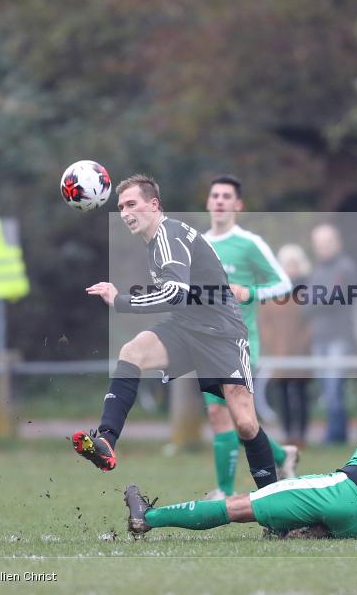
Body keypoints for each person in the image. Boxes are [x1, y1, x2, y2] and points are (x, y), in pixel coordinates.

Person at [74, 174, 277, 491]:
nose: (126, 213)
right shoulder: (155, 240)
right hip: (185, 327)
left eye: (132, 204)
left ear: (153, 205)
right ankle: (106, 440)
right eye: (121, 207)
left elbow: (175, 293)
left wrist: (121, 300)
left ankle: (274, 501)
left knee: (246, 424)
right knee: (133, 352)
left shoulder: (169, 235)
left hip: (222, 332)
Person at [124, 426, 357, 539]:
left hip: (345, 492)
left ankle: (149, 517)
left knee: (243, 505)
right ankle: (304, 528)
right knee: (310, 513)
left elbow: (355, 464)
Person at [201, 174, 298, 499]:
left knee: (230, 414)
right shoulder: (196, 245)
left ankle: (225, 492)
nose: (219, 201)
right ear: (208, 202)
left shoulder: (249, 243)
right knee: (227, 417)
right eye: (215, 195)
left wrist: (250, 292)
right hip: (207, 343)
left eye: (226, 196)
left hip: (241, 342)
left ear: (237, 205)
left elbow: (283, 284)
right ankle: (283, 456)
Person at [308, 224, 357, 444]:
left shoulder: (346, 267)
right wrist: (321, 299)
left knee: (334, 385)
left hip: (340, 336)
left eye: (327, 242)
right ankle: (335, 432)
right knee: (325, 387)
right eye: (319, 244)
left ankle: (336, 435)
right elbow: (306, 305)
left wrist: (319, 300)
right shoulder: (317, 271)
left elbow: (336, 297)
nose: (323, 247)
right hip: (319, 337)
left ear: (337, 242)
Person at [259, 244, 313, 447]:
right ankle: (288, 433)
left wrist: (302, 344)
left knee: (300, 393)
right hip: (278, 352)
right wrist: (272, 345)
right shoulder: (272, 290)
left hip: (301, 352)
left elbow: (311, 322)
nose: (291, 268)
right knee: (282, 393)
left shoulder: (307, 290)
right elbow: (264, 321)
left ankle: (301, 435)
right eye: (287, 264)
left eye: (294, 264)